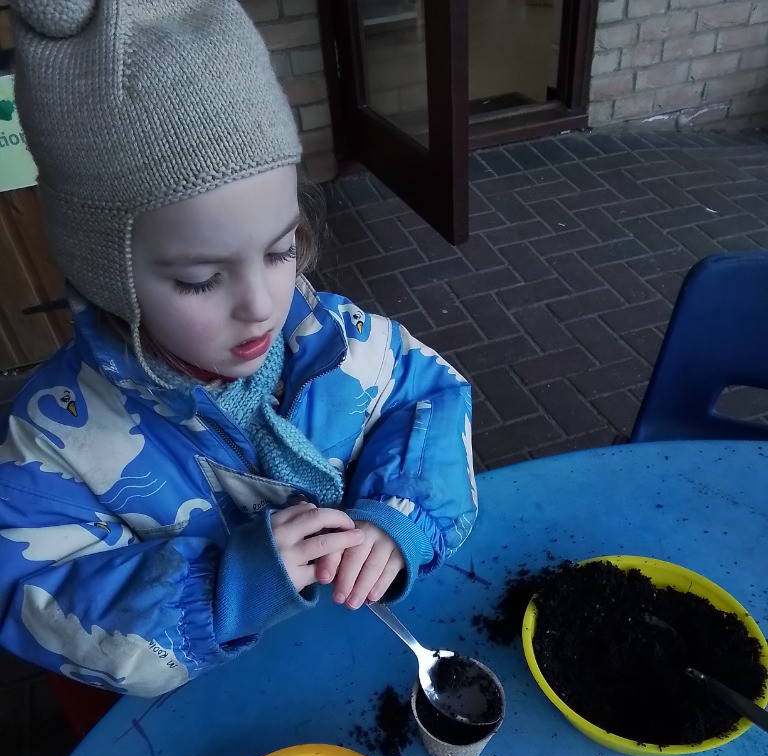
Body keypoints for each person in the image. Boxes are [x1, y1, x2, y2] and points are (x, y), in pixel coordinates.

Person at [0, 0, 477, 698]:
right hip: (211, 708)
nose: (262, 303)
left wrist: (397, 521)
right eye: (199, 280)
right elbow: (36, 592)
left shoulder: (337, 342)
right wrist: (229, 585)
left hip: (355, 669)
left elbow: (430, 397)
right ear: (111, 278)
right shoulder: (53, 443)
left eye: (282, 249)